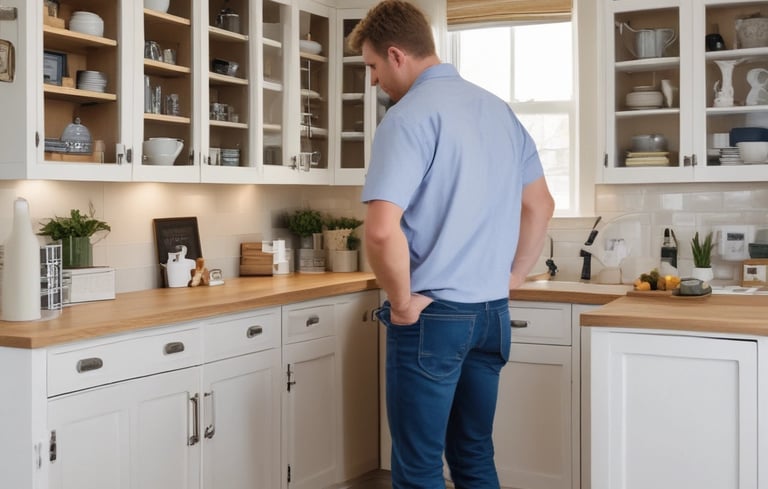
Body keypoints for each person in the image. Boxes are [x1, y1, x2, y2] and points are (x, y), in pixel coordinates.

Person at [348, 1, 555, 488]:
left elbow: (380, 230)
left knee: (418, 466)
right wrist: (513, 277)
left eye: (373, 67)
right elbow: (540, 205)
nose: (374, 81)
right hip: (491, 315)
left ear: (397, 55)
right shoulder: (498, 110)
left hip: (433, 317)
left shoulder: (407, 118)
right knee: (474, 455)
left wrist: (400, 305)